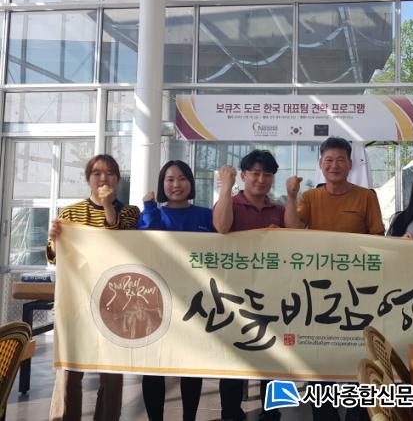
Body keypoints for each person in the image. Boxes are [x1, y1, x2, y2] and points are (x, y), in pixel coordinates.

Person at [46, 154, 140, 421]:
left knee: (111, 373)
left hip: (115, 304)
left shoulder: (131, 212)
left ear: (118, 180)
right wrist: (54, 241)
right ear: (88, 179)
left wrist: (108, 205)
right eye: (97, 173)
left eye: (109, 173)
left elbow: (120, 244)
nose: (103, 179)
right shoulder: (70, 213)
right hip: (76, 302)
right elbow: (56, 259)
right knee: (70, 369)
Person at [212, 149, 303, 421]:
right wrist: (226, 187)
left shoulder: (279, 209)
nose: (261, 179)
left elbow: (296, 234)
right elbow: (221, 227)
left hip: (275, 296)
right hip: (235, 295)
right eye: (255, 173)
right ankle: (231, 412)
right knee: (233, 356)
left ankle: (273, 412)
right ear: (243, 176)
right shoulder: (230, 203)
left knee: (277, 357)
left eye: (267, 174)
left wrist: (292, 197)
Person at [296, 137, 383, 421]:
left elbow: (377, 237)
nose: (334, 165)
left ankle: (358, 414)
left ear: (350, 164)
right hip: (317, 292)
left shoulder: (366, 196)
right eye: (329, 160)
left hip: (357, 291)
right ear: (320, 164)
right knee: (319, 353)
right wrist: (291, 195)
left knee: (358, 352)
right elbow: (292, 231)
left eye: (340, 160)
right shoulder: (309, 198)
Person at [137, 160, 213, 421]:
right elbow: (151, 240)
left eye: (182, 179)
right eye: (170, 179)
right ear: (162, 184)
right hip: (156, 301)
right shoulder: (152, 213)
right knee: (153, 366)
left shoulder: (206, 215)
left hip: (196, 301)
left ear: (191, 182)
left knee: (191, 366)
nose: (176, 184)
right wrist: (149, 207)